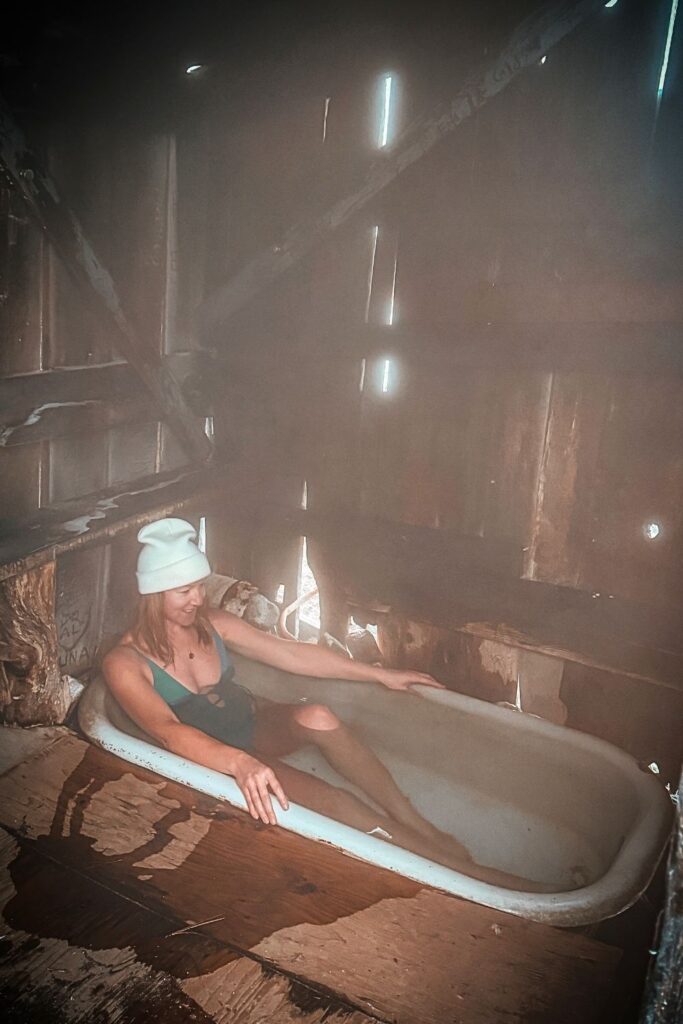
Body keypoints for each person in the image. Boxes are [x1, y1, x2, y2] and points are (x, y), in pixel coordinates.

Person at [103, 518, 550, 891]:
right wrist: (240, 764)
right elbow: (167, 730)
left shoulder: (212, 624)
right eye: (183, 591)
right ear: (153, 593)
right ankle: (472, 876)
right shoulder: (125, 662)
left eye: (199, 585)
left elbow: (291, 654)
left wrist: (380, 674)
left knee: (318, 714)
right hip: (216, 756)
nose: (197, 598)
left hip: (250, 724)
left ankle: (419, 824)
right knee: (337, 804)